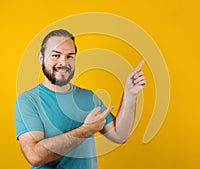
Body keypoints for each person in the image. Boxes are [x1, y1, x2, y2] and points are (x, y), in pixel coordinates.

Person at [15, 29, 146, 169]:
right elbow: (35, 156)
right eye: (55, 55)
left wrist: (130, 95)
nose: (63, 62)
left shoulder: (88, 97)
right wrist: (86, 130)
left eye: (69, 56)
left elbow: (120, 135)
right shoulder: (28, 100)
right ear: (41, 58)